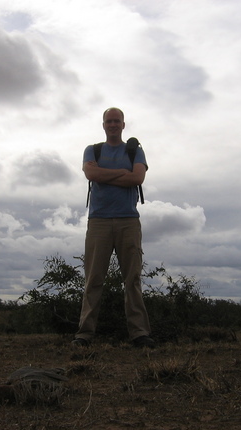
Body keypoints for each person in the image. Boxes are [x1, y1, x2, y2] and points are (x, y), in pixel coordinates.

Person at [72, 107, 155, 348]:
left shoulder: (135, 151)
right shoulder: (93, 150)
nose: (113, 124)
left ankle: (139, 334)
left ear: (123, 125)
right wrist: (121, 172)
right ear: (103, 125)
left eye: (116, 121)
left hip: (128, 220)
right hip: (98, 221)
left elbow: (137, 178)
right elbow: (90, 173)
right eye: (109, 121)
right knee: (93, 279)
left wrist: (103, 175)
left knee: (133, 279)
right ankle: (84, 334)